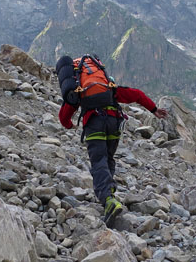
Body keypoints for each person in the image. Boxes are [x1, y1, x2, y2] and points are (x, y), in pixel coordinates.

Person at [58, 56, 168, 226]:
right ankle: (109, 193)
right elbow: (137, 95)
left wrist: (70, 124)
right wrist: (154, 109)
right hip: (113, 122)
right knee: (108, 158)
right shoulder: (109, 87)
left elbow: (63, 116)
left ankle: (108, 200)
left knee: (99, 161)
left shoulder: (80, 89)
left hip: (94, 123)